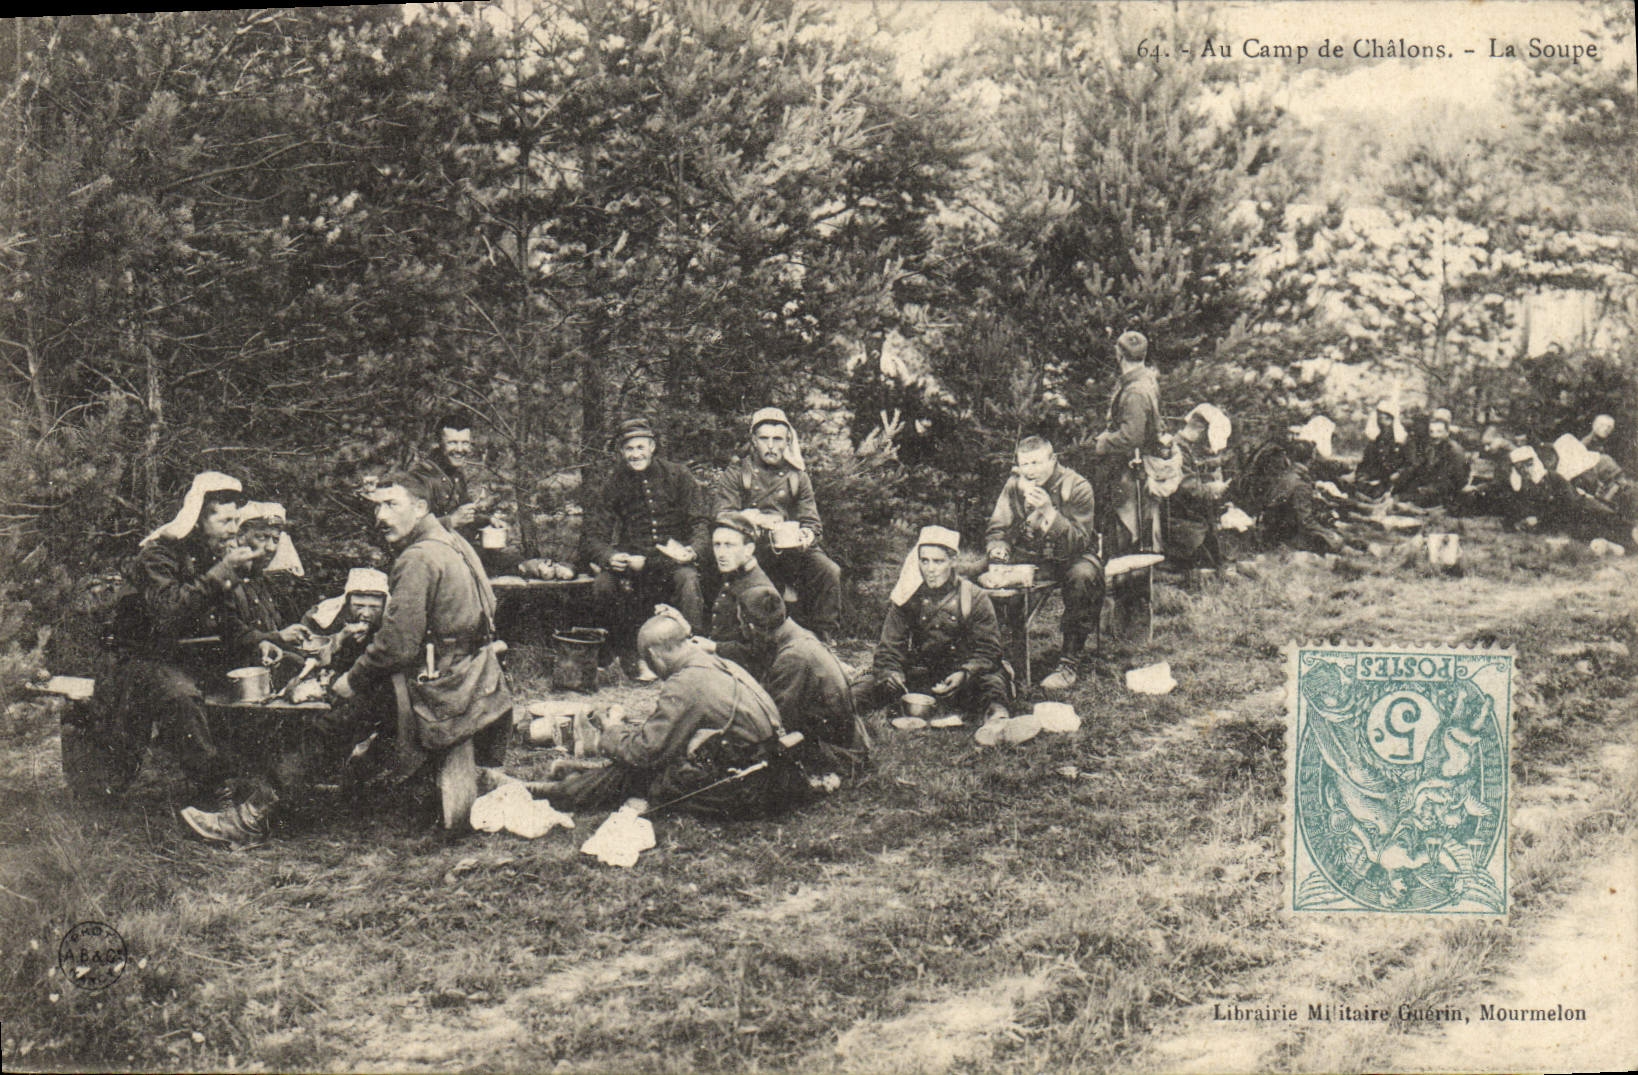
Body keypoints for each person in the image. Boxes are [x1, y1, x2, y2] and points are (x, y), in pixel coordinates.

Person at [109, 473, 305, 801]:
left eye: (235, 520)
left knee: (290, 666)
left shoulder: (215, 557)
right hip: (145, 655)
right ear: (200, 519)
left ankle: (276, 773)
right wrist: (222, 573)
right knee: (181, 698)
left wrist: (259, 641)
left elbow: (225, 620)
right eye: (225, 520)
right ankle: (216, 789)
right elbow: (168, 614)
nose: (232, 529)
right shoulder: (159, 556)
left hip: (195, 655)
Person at [536, 612, 800, 819]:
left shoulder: (687, 682)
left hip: (744, 786)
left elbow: (644, 752)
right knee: (656, 762)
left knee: (641, 772)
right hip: (770, 772)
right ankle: (571, 778)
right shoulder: (718, 663)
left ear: (653, 656)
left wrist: (612, 729)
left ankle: (549, 792)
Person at [581, 418, 710, 673]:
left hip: (673, 562)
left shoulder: (678, 475)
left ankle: (696, 655)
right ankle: (620, 654)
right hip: (633, 561)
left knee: (688, 581)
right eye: (629, 449)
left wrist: (693, 549)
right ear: (621, 452)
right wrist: (609, 556)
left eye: (641, 447)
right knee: (603, 585)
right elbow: (593, 535)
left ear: (652, 447)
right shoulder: (614, 483)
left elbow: (700, 522)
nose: (635, 454)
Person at [709, 407, 842, 640]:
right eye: (764, 439)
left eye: (777, 439)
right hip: (753, 547)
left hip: (791, 550)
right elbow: (722, 513)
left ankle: (823, 637)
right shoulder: (738, 472)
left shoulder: (797, 476)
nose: (771, 446)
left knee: (829, 571)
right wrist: (751, 518)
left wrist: (806, 535)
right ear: (753, 441)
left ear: (787, 441)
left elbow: (811, 521)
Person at [857, 526, 1009, 725]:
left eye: (938, 561)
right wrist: (892, 673)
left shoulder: (974, 596)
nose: (930, 569)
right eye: (924, 561)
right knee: (867, 685)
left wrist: (965, 673)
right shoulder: (907, 596)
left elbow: (989, 649)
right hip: (922, 672)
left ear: (953, 561)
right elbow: (889, 647)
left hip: (964, 674)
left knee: (992, 683)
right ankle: (839, 716)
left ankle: (998, 722)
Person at [984, 436, 1102, 691]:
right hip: (1031, 557)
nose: (1030, 470)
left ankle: (1069, 663)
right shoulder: (1015, 486)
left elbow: (1079, 542)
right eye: (1025, 464)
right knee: (978, 577)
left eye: (1036, 463)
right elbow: (998, 528)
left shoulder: (1077, 486)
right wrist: (998, 553)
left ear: (1053, 460)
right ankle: (994, 660)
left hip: (1072, 556)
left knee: (1082, 577)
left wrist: (1049, 512)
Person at [733, 586, 869, 774]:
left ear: (751, 627)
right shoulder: (795, 633)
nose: (739, 628)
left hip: (838, 751)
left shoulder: (793, 657)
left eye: (740, 622)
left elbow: (778, 719)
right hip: (841, 734)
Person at [412, 414, 522, 574]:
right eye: (452, 443)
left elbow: (466, 516)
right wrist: (452, 521)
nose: (460, 449)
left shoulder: (456, 474)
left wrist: (488, 521)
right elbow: (410, 530)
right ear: (438, 443)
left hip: (458, 551)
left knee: (516, 560)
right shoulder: (420, 476)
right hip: (431, 561)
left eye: (465, 443)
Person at [1090, 330, 1164, 556]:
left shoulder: (1135, 391)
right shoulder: (1146, 380)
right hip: (1136, 465)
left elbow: (1131, 437)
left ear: (1118, 354)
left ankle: (1127, 576)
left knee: (1127, 523)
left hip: (1129, 468)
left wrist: (1103, 443)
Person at [705, 511, 778, 660]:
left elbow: (760, 655)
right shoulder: (733, 574)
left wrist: (714, 647)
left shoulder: (759, 591)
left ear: (748, 549)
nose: (721, 553)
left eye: (729, 545)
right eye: (717, 545)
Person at [1167, 404, 1233, 569]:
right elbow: (1187, 488)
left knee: (1213, 557)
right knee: (1207, 562)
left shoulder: (1182, 446)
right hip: (1180, 518)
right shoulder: (1178, 449)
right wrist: (1213, 488)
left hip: (1184, 514)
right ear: (1203, 431)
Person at [1394, 414, 1470, 509]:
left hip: (1448, 492)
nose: (1434, 435)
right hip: (1433, 487)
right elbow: (1419, 466)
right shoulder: (1432, 447)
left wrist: (1426, 490)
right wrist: (1402, 475)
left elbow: (1456, 481)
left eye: (1439, 432)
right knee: (1401, 490)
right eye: (1431, 432)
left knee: (1404, 499)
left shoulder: (1454, 451)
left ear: (1447, 433)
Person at [1356, 399, 1408, 498]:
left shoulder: (1402, 440)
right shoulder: (1376, 440)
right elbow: (1366, 462)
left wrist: (1399, 473)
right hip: (1377, 478)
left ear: (1392, 420)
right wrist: (1362, 475)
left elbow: (1410, 464)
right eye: (1380, 419)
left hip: (1395, 479)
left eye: (1386, 419)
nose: (1383, 423)